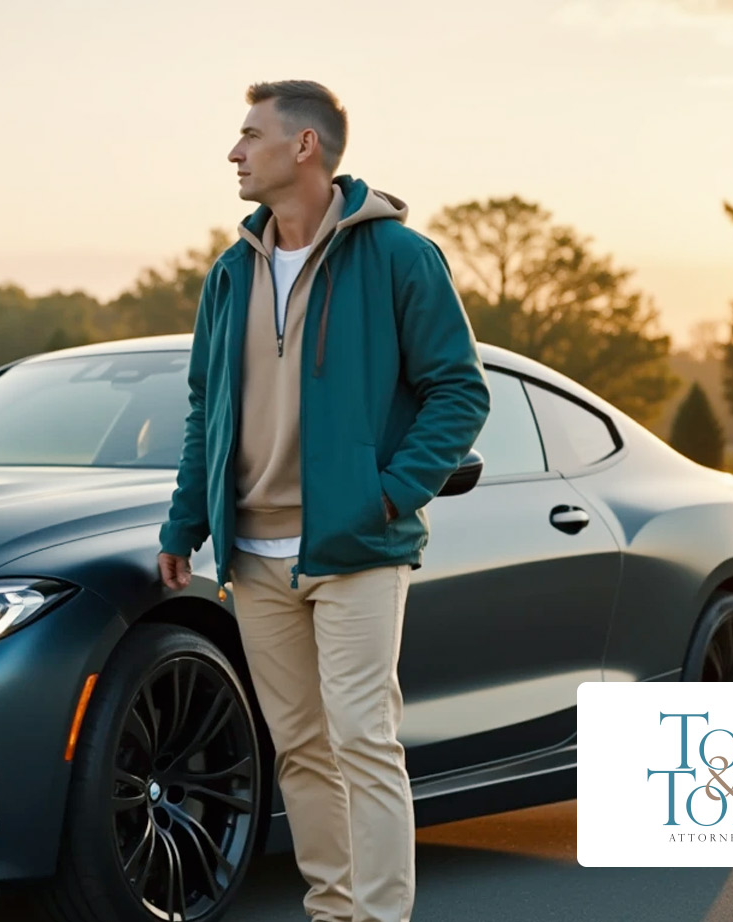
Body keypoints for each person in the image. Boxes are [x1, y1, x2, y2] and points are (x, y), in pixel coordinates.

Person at [156, 80, 491, 922]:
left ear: (303, 146)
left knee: (364, 744)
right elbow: (206, 408)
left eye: (248, 135)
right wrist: (185, 521)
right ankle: (333, 911)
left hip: (354, 549)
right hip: (256, 559)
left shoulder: (398, 258)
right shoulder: (231, 272)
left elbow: (459, 390)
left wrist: (387, 496)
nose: (233, 152)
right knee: (301, 751)